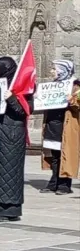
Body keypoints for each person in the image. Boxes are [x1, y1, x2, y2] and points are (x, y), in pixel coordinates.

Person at [0, 56, 32, 222]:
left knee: (10, 172)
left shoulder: (22, 87)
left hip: (13, 135)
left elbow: (26, 111)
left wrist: (12, 99)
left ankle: (10, 210)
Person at [42, 61, 78, 194]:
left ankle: (64, 184)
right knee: (55, 154)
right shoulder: (53, 85)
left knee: (65, 154)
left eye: (54, 69)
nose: (52, 71)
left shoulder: (75, 86)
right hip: (53, 124)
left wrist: (72, 100)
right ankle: (54, 181)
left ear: (62, 70)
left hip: (66, 125)